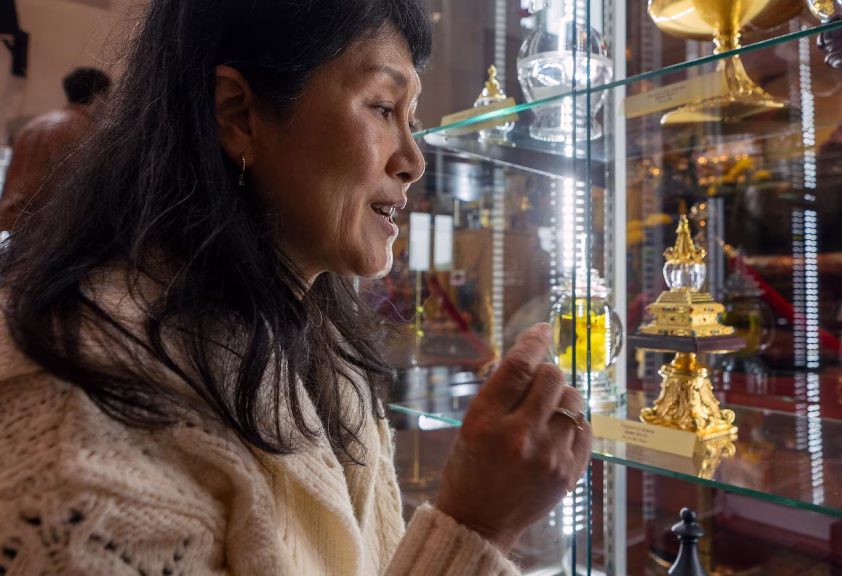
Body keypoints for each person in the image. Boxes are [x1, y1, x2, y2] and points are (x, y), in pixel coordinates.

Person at [0, 1, 592, 575]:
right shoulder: (83, 416)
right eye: (383, 108)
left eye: (412, 119)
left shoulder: (324, 357)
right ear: (238, 114)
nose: (413, 159)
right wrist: (478, 527)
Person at [0, 67, 111, 232]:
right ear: (99, 96)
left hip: (11, 226)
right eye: (108, 97)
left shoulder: (34, 125)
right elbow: (79, 194)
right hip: (48, 232)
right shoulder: (85, 130)